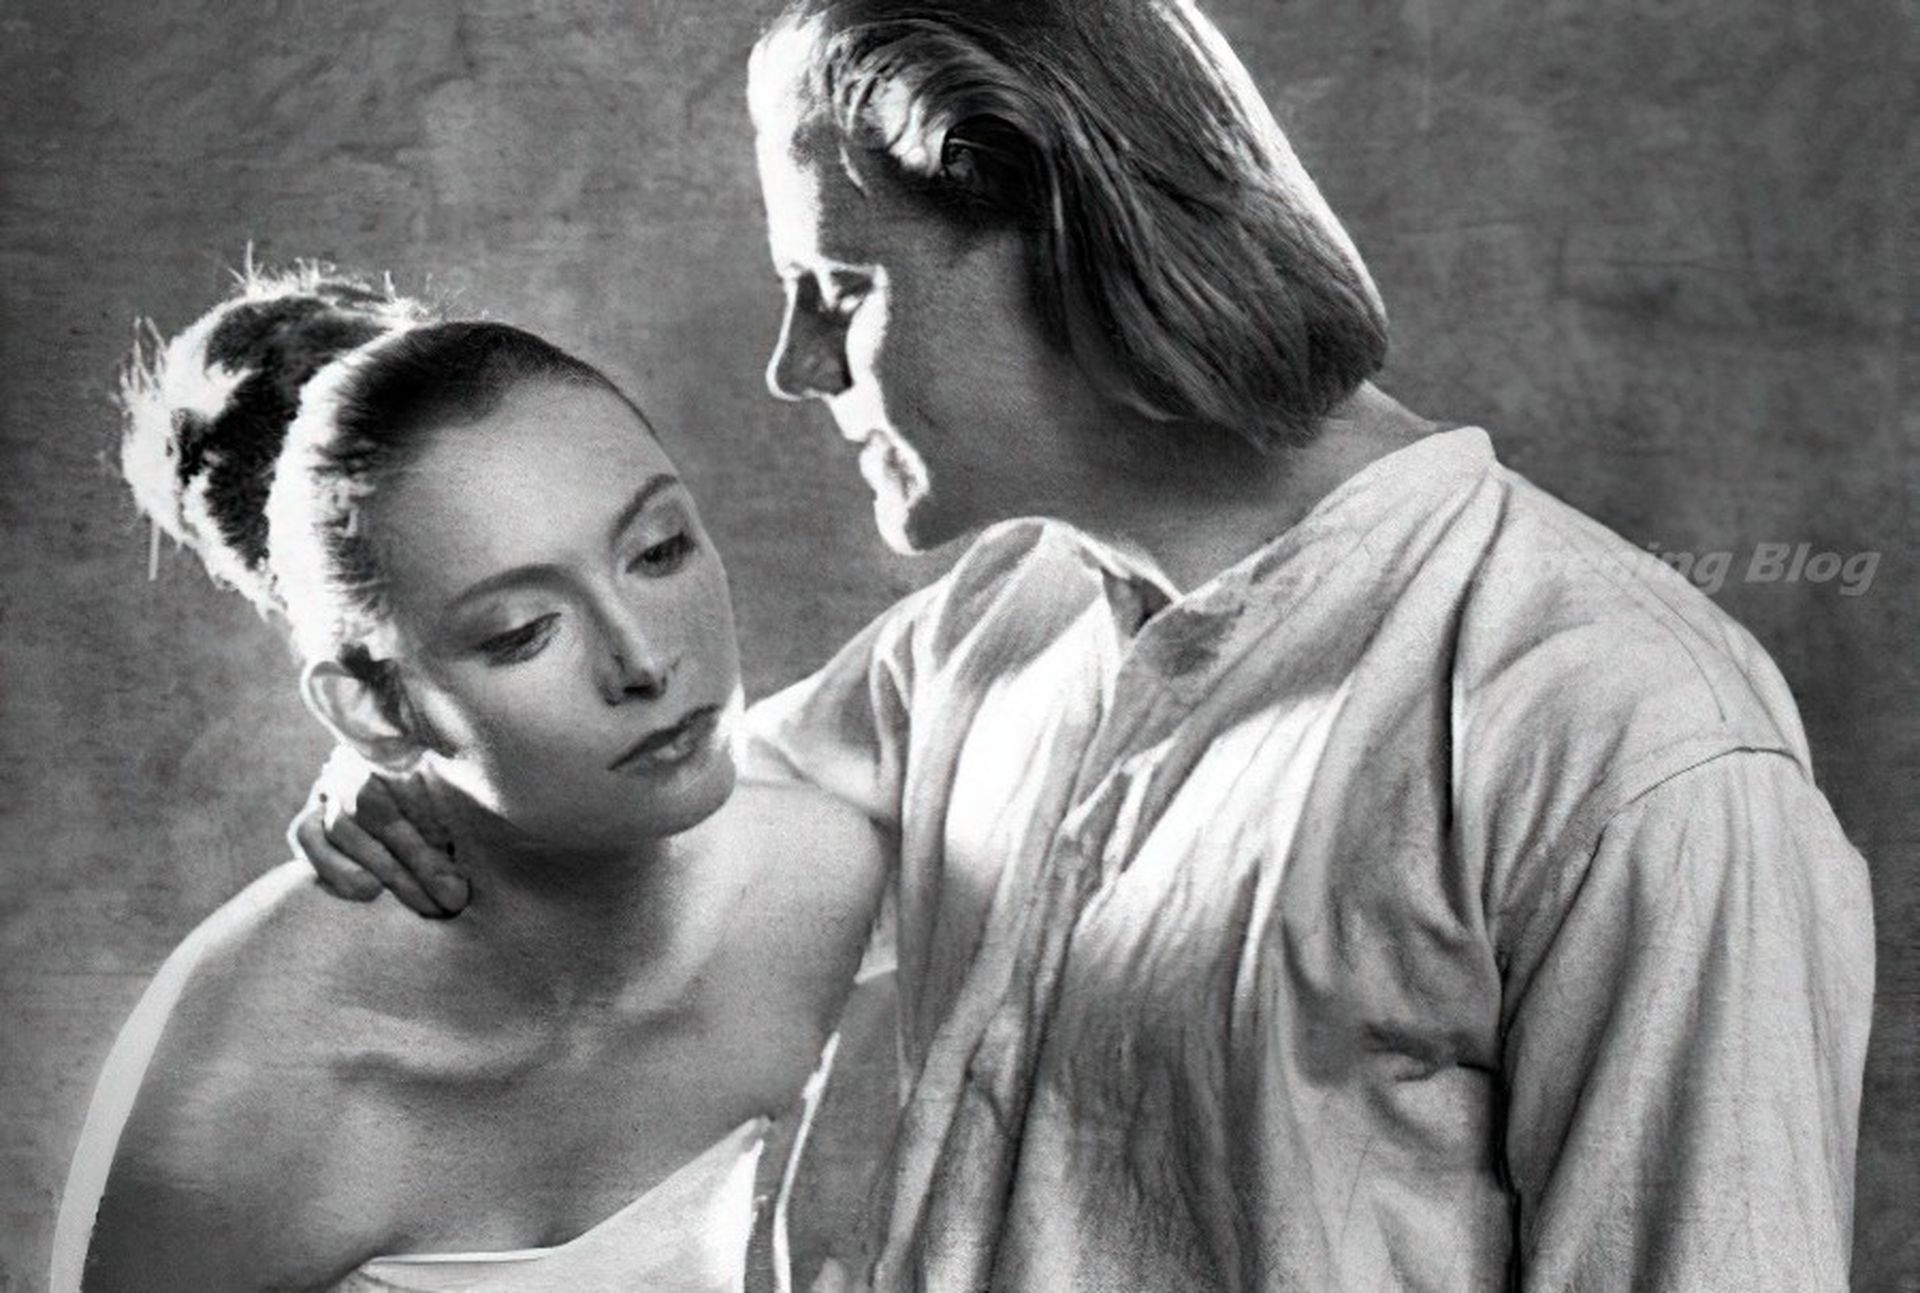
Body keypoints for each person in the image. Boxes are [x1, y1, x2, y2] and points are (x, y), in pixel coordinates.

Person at [298, 0, 1878, 1287]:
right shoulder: (990, 632)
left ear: (1067, 239)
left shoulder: (1621, 733)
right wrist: (419, 775)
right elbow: (642, 830)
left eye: (840, 287)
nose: (796, 367)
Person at [51, 271, 894, 1291]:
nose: (643, 661)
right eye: (520, 631)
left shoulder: (856, 865)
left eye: (661, 548)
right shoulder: (250, 1089)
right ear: (369, 704)